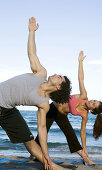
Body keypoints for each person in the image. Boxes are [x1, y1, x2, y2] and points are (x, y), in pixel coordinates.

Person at [0, 17, 71, 170]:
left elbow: (42, 129)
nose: (56, 74)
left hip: (7, 111)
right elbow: (32, 54)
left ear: (59, 87)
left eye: (60, 77)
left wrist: (46, 153)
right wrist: (31, 32)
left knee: (29, 140)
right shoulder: (41, 74)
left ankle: (53, 166)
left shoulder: (44, 104)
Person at [34, 50, 102, 165]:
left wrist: (85, 147)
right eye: (94, 100)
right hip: (52, 109)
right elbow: (81, 79)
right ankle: (34, 156)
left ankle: (86, 158)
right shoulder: (83, 96)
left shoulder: (84, 114)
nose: (92, 101)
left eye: (93, 104)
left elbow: (82, 132)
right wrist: (80, 62)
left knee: (71, 136)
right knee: (42, 131)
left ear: (91, 110)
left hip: (62, 116)